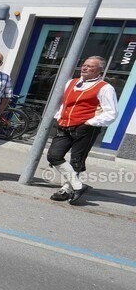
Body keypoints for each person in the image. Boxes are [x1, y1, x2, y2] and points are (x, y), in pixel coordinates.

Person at [47, 56, 118, 204]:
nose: (84, 68)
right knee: (54, 155)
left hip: (85, 129)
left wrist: (89, 123)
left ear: (100, 70)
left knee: (76, 160)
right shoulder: (71, 83)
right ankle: (78, 186)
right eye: (84, 65)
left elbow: (111, 113)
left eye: (90, 66)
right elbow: (64, 104)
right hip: (64, 125)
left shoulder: (105, 87)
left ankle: (66, 189)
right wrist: (59, 117)